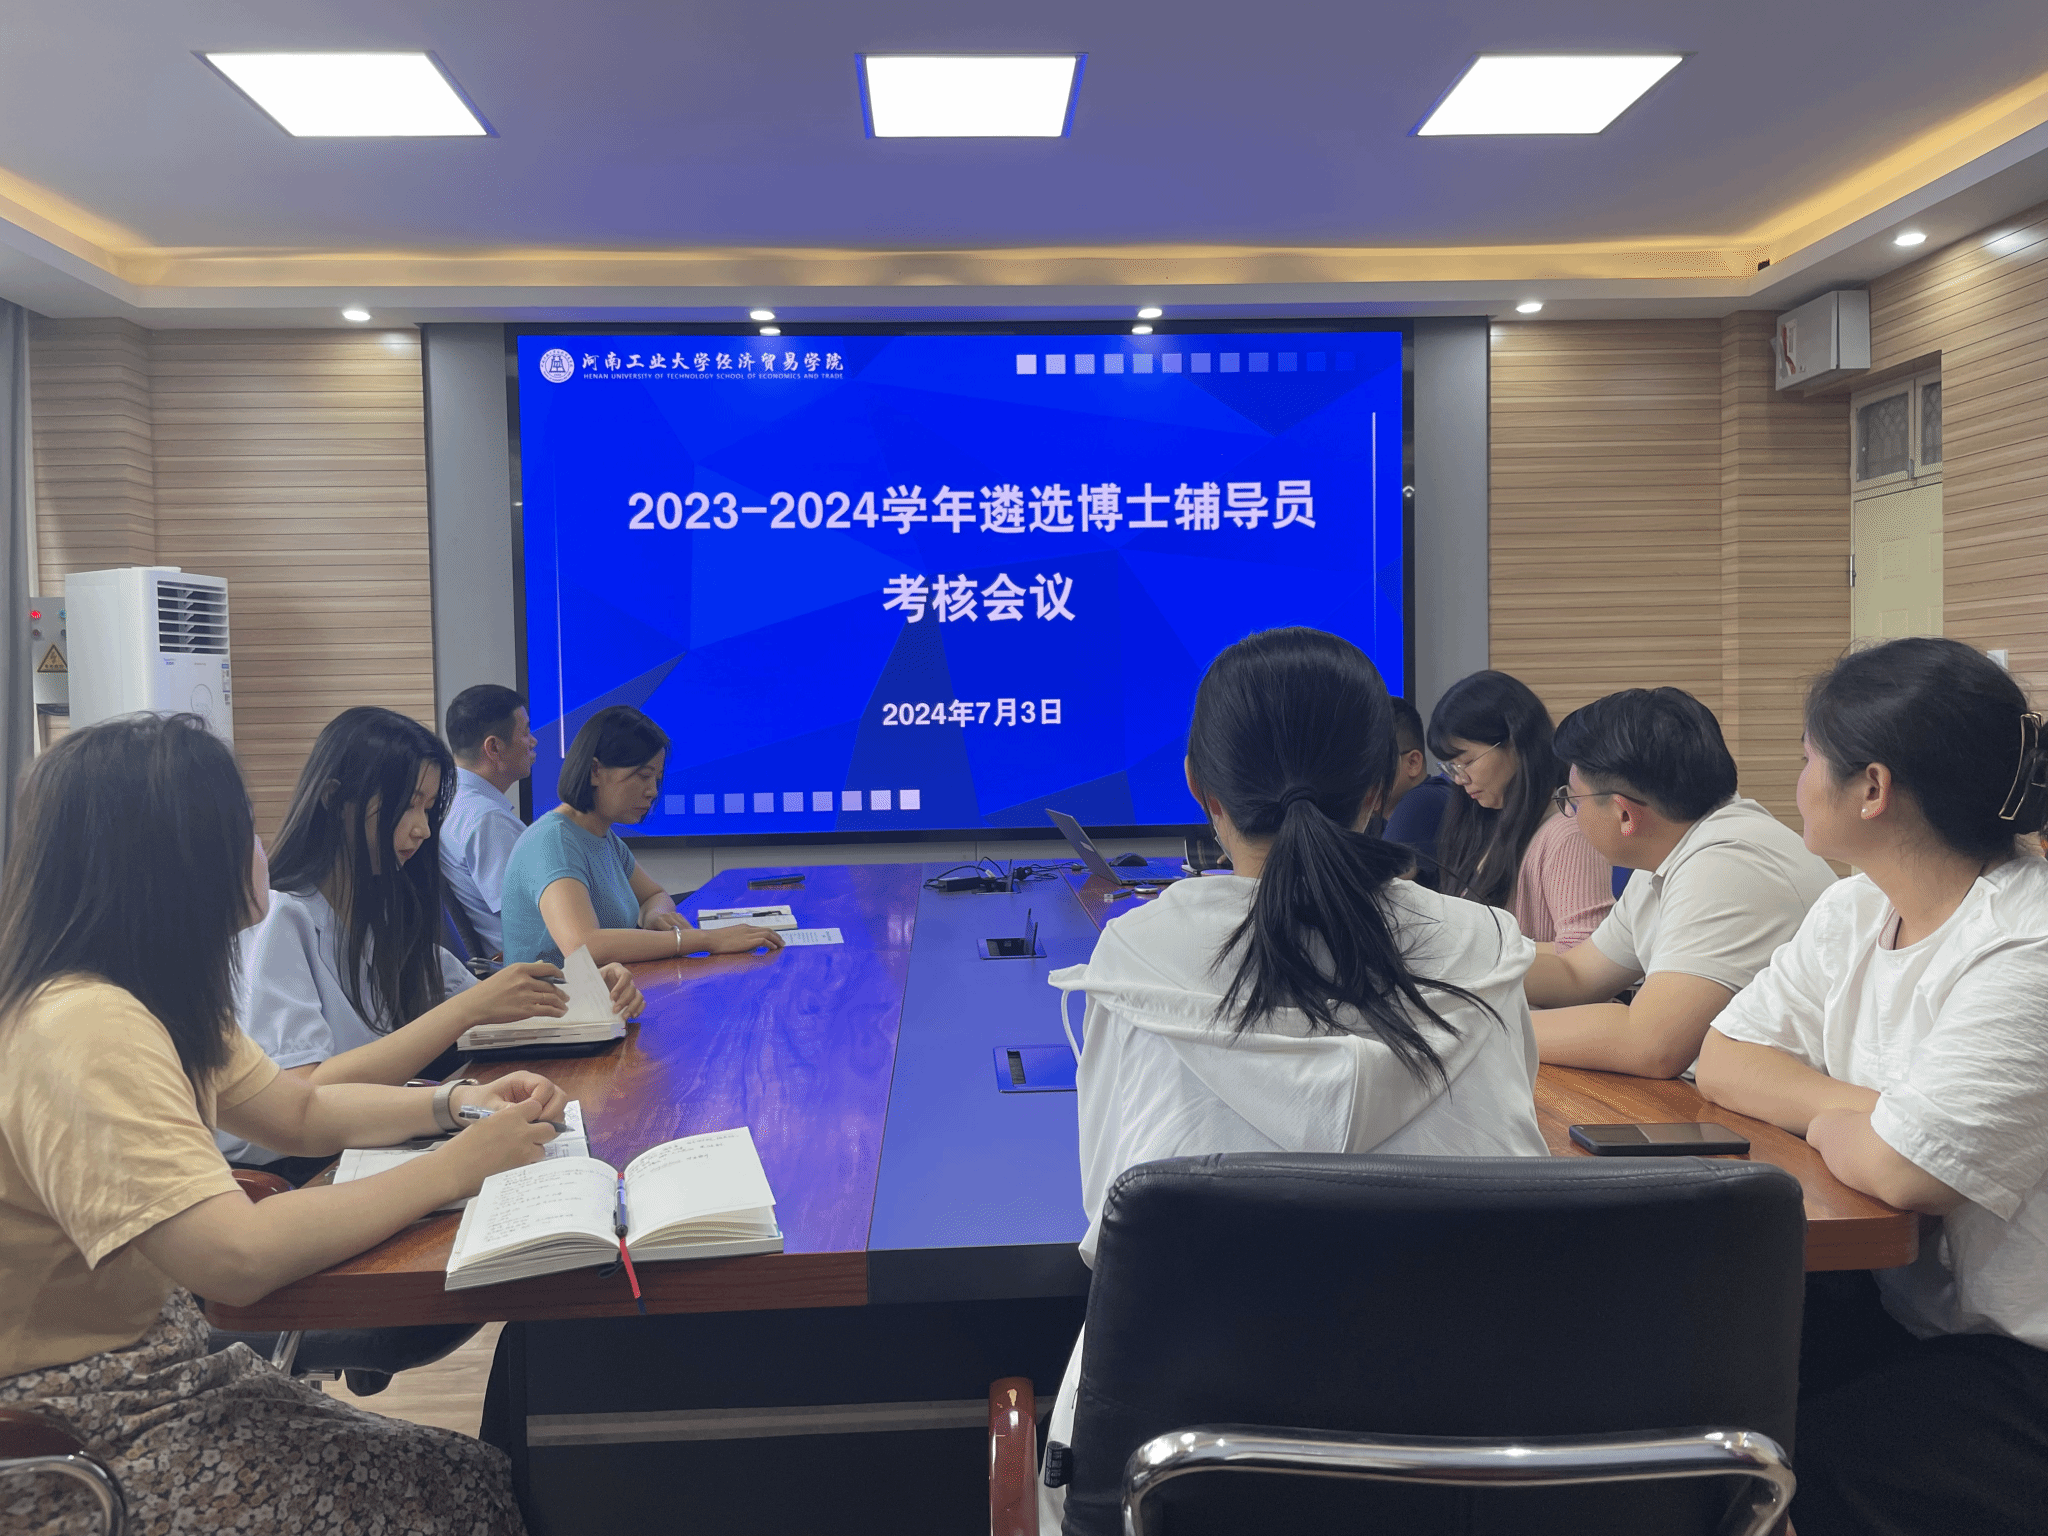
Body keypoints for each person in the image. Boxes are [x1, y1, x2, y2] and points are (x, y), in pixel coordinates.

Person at [0, 712, 562, 1534]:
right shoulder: (85, 1024)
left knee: (472, 1474)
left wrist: (454, 1106)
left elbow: (299, 1109)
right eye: (242, 828)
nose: (260, 848)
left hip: (157, 1370)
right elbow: (235, 1257)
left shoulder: (147, 996)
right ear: (177, 854)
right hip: (79, 1424)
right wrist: (457, 1164)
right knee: (465, 1493)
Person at [1039, 628, 1548, 1528]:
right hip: (1463, 1466)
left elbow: (1110, 1220)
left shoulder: (1138, 955)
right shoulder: (1485, 949)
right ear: (1381, 788)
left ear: (1200, 789)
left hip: (1180, 1479)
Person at [1695, 637, 2048, 1536]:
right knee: (1694, 1395)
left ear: (1873, 788)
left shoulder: (2027, 941)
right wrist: (1876, 1117)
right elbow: (1725, 1056)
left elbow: (1907, 1175)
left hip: (2020, 1355)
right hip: (1910, 1308)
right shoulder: (1855, 905)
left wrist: (1880, 1133)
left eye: (1808, 758)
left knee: (1785, 1472)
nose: (1797, 780)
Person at [230, 706, 643, 1178]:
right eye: (408, 805)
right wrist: (468, 1014)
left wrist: (586, 989)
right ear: (335, 799)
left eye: (428, 809)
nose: (423, 829)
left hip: (373, 1141)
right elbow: (304, 1095)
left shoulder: (380, 913)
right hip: (296, 1172)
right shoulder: (282, 917)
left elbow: (493, 1002)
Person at [1526, 687, 1836, 1077]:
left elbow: (1650, 1044)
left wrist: (1486, 1028)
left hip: (1784, 1106)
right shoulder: (1670, 852)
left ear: (1624, 814)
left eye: (1573, 801)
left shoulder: (1728, 865)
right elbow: (1578, 975)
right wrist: (1464, 972)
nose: (1570, 815)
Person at [501, 705, 783, 965]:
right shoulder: (553, 841)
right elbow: (584, 947)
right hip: (559, 1002)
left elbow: (655, 895)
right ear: (595, 771)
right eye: (643, 776)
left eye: (656, 779)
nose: (653, 792)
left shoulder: (605, 839)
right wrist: (706, 940)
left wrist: (655, 916)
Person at [1427, 669, 1614, 948]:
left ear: (1515, 742)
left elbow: (1584, 953)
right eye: (1450, 767)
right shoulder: (1487, 822)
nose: (1459, 779)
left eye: (1466, 762)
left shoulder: (1567, 833)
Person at [441, 683, 537, 962]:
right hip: (537, 969)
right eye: (525, 732)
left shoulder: (449, 801)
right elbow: (534, 919)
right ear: (494, 747)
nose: (533, 742)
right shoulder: (486, 820)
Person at [1381, 694, 1454, 888]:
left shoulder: (1423, 800)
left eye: (1368, 761)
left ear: (1413, 762)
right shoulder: (1379, 815)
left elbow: (1375, 887)